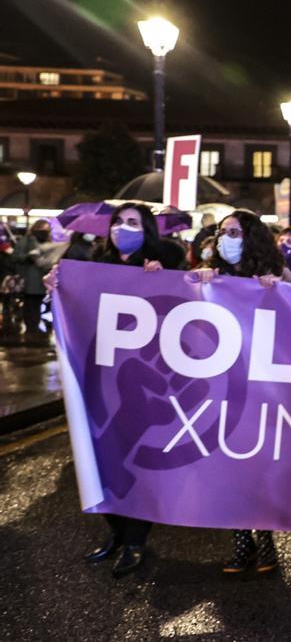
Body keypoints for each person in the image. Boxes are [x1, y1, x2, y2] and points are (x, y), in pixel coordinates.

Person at [43, 202, 176, 578]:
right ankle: (116, 534)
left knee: (133, 464)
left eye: (133, 222)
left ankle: (135, 541)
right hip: (99, 379)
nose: (123, 228)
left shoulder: (162, 263)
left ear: (147, 230)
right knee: (102, 460)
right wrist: (54, 288)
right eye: (118, 222)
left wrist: (163, 278)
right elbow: (59, 314)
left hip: (142, 384)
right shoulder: (92, 266)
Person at [191, 209, 291, 574]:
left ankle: (265, 542)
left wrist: (280, 290)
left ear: (251, 237)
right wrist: (200, 283)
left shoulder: (275, 272)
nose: (225, 238)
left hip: (262, 387)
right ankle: (240, 543)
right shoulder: (212, 273)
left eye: (234, 231)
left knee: (257, 467)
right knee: (225, 468)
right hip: (219, 385)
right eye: (221, 231)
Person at [13, 219, 64, 337]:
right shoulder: (26, 240)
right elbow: (16, 256)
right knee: (30, 304)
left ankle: (35, 327)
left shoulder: (48, 242)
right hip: (29, 280)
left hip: (43, 280)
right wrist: (28, 257)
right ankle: (31, 328)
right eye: (41, 229)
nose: (44, 232)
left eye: (46, 230)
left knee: (38, 304)